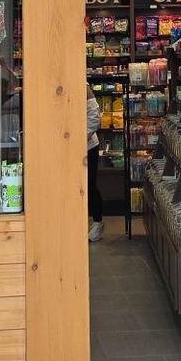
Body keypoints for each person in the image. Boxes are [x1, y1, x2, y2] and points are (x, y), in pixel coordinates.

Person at [86, 85, 104, 243]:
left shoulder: (82, 85)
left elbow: (94, 115)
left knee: (89, 185)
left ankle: (97, 222)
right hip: (65, 148)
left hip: (87, 146)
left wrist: (80, 137)